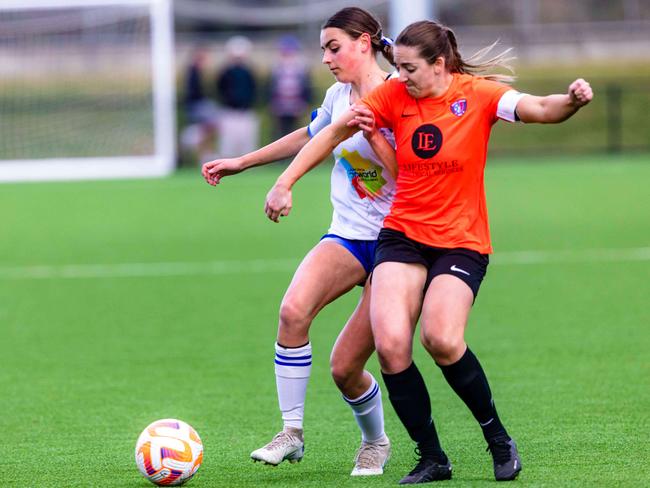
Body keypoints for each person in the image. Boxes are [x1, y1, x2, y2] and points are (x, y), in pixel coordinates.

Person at [264, 20, 593, 484]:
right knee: (392, 346)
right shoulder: (394, 94)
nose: (401, 77)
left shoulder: (478, 94)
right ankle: (432, 457)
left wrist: (572, 102)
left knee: (440, 339)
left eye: (409, 68)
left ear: (439, 65)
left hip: (461, 239)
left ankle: (498, 438)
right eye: (396, 66)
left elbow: (541, 107)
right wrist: (284, 181)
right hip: (402, 235)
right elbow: (332, 133)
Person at [202, 8, 399, 476]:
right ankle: (291, 433)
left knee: (345, 368)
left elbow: (413, 177)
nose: (327, 59)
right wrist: (243, 163)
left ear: (365, 42)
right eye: (323, 51)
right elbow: (310, 136)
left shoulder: (399, 96)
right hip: (349, 236)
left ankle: (376, 442)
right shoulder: (337, 95)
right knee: (292, 311)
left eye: (334, 48)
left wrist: (372, 133)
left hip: (399, 244)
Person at [215, 36, 259, 158]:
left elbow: (253, 90)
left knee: (247, 146)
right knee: (228, 146)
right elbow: (220, 89)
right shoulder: (225, 72)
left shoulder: (249, 71)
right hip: (230, 112)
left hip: (245, 112)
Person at [268, 35, 313, 139]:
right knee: (279, 134)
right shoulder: (276, 67)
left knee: (296, 134)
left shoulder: (302, 68)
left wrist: (305, 103)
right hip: (280, 107)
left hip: (296, 106)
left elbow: (307, 88)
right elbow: (271, 88)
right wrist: (272, 103)